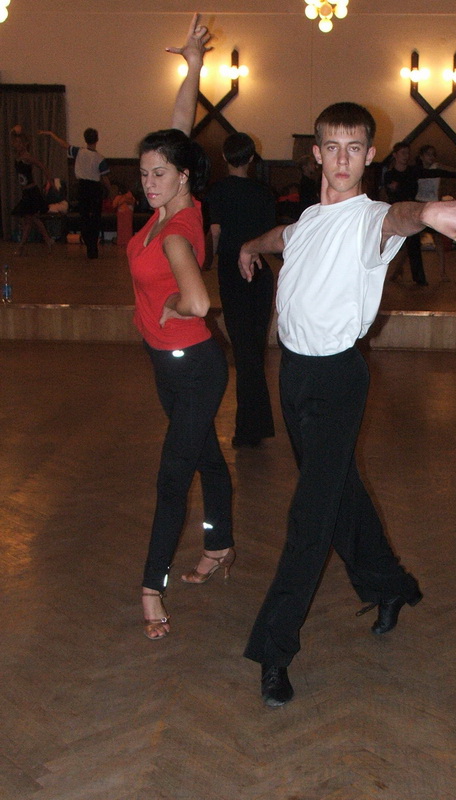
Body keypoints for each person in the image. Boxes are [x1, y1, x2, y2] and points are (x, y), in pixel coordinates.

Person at [238, 102, 456, 707]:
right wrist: (251, 245)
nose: (342, 159)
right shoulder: (308, 219)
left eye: (354, 148)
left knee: (311, 516)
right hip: (294, 375)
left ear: (370, 156)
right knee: (340, 494)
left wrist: (426, 212)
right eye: (332, 147)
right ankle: (390, 585)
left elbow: (398, 218)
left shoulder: (371, 218)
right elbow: (284, 236)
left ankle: (274, 650)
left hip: (337, 381)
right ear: (316, 154)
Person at [126, 15, 234, 640]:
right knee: (205, 455)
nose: (148, 183)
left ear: (184, 175)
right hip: (168, 362)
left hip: (193, 366)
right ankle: (220, 544)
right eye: (143, 173)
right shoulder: (173, 203)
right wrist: (193, 68)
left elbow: (198, 301)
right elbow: (180, 130)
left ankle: (151, 586)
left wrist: (175, 302)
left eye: (158, 174)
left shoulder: (174, 231)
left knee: (173, 476)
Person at [206, 132, 277, 448]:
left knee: (244, 351)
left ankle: (251, 427)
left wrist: (205, 263)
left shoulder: (217, 191)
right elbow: (272, 237)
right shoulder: (264, 192)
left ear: (224, 157)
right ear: (251, 158)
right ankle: (254, 425)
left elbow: (215, 233)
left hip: (232, 273)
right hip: (260, 273)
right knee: (253, 350)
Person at [39, 126, 111, 259]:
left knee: (84, 217)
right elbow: (105, 178)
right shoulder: (100, 158)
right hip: (95, 188)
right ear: (97, 139)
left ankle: (89, 244)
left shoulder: (79, 152)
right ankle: (93, 247)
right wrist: (110, 191)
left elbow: (63, 144)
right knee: (95, 218)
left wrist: (51, 134)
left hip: (82, 187)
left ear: (85, 139)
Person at [415, 144, 456, 281]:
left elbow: (452, 171)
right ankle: (399, 269)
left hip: (432, 205)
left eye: (433, 155)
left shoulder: (437, 167)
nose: (431, 157)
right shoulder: (416, 170)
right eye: (428, 154)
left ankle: (442, 272)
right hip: (418, 204)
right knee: (412, 240)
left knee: (437, 239)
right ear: (421, 156)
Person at [9, 126, 54, 255]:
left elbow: (42, 166)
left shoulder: (27, 157)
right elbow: (11, 136)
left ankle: (22, 246)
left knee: (30, 218)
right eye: (16, 143)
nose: (17, 145)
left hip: (32, 192)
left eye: (19, 143)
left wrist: (50, 181)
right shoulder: (18, 156)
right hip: (26, 192)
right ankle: (47, 241)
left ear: (24, 144)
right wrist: (14, 131)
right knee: (30, 219)